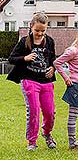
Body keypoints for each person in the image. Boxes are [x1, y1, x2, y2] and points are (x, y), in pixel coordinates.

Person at [7, 12, 57, 151]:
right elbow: (11, 58)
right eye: (37, 30)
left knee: (50, 112)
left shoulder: (50, 41)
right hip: (29, 80)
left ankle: (47, 133)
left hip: (46, 81)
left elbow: (53, 60)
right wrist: (25, 58)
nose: (40, 33)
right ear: (31, 26)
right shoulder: (24, 41)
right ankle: (32, 141)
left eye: (43, 30)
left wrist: (53, 68)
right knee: (34, 110)